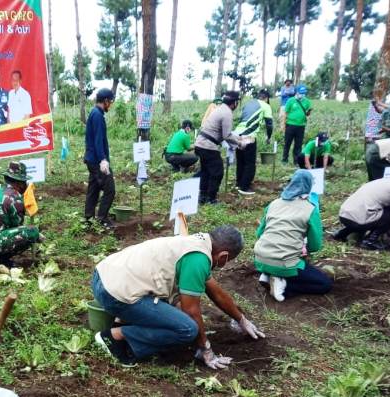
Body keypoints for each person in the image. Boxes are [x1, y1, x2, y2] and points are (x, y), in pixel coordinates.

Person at [91, 226, 265, 369]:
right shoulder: (198, 259)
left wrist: (241, 319)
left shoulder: (198, 242)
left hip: (104, 275)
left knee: (178, 314)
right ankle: (114, 337)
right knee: (187, 329)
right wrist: (206, 349)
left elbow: (216, 292)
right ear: (224, 256)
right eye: (229, 261)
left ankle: (124, 320)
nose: (226, 264)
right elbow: (191, 311)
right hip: (115, 294)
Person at [254, 170, 331, 302]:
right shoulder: (310, 209)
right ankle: (284, 284)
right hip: (285, 263)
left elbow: (259, 233)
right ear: (309, 186)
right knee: (324, 284)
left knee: (280, 260)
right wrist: (303, 246)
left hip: (260, 258)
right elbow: (315, 245)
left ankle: (267, 274)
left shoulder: (273, 204)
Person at [195, 90, 253, 204]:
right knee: (217, 172)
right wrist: (240, 143)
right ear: (234, 103)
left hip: (200, 144)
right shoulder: (227, 113)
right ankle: (211, 199)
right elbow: (226, 135)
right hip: (208, 146)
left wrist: (237, 141)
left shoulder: (220, 108)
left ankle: (202, 196)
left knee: (206, 171)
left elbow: (224, 134)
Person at [83, 88, 116, 228]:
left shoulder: (95, 113)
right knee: (110, 188)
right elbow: (98, 140)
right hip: (97, 160)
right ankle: (102, 218)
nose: (111, 105)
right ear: (106, 101)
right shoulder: (97, 115)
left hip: (91, 159)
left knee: (94, 188)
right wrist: (103, 159)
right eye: (111, 102)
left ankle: (89, 217)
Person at [233, 89, 274, 195]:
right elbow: (269, 124)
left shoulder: (249, 103)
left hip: (237, 134)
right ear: (266, 98)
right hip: (249, 136)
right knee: (250, 163)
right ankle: (244, 187)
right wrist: (269, 137)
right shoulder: (266, 106)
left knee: (241, 161)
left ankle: (238, 183)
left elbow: (241, 119)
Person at [281, 84, 311, 163]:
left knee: (298, 145)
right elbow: (285, 113)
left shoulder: (307, 101)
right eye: (301, 93)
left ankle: (296, 160)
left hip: (301, 126)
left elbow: (308, 112)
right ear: (296, 92)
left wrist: (308, 113)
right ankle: (284, 159)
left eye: (304, 93)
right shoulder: (290, 100)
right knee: (287, 143)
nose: (302, 94)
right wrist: (283, 125)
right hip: (290, 125)